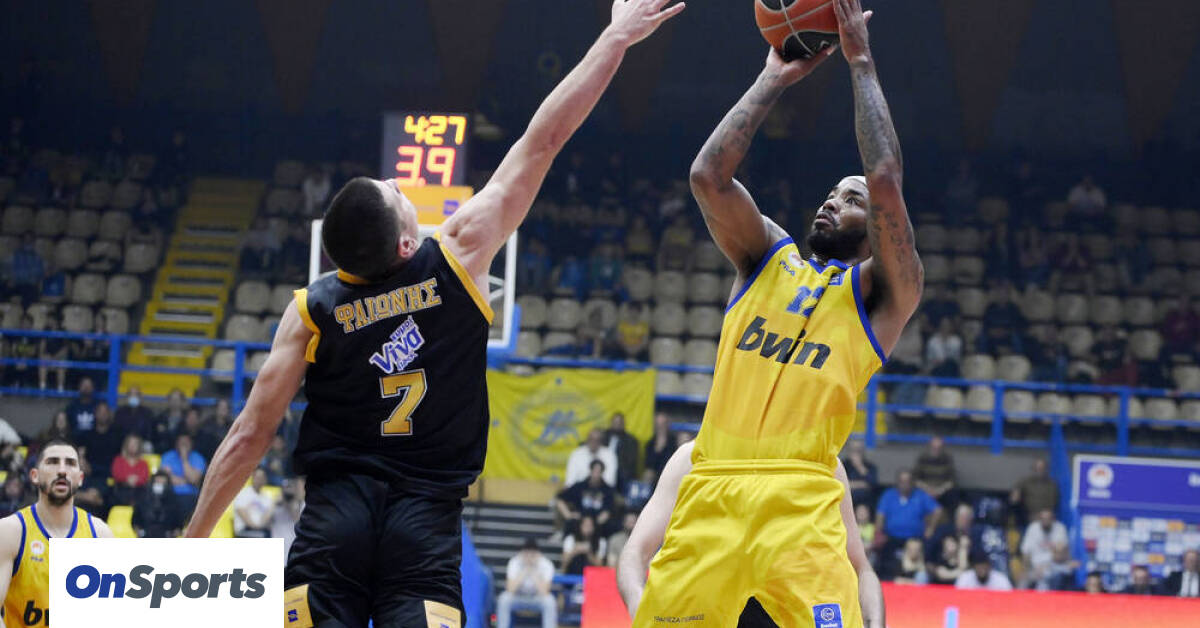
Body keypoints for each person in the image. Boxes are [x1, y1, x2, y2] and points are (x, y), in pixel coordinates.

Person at [182, 4, 685, 626]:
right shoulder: (456, 257)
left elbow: (249, 436)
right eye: (394, 193)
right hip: (424, 525)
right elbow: (543, 140)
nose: (399, 184)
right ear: (402, 245)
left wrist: (189, 544)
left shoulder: (311, 310)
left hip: (333, 524)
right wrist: (615, 38)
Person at [636, 4, 923, 624]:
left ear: (875, 228)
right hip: (712, 489)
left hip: (802, 500)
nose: (832, 203)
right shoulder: (765, 256)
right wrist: (773, 77)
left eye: (850, 201)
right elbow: (708, 177)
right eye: (831, 194)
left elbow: (884, 178)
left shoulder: (884, 294)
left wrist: (860, 60)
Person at [618, 442, 885, 626]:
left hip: (788, 612)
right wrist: (641, 608)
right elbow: (635, 551)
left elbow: (860, 567)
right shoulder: (694, 457)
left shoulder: (822, 463)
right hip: (708, 610)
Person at [0, 440, 114, 625]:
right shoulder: (10, 532)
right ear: (35, 476)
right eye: (52, 462)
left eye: (70, 463)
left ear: (80, 478)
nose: (62, 470)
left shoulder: (100, 535)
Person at [876, 470, 941, 579]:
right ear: (897, 482)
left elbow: (937, 510)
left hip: (914, 539)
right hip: (892, 539)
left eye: (907, 481)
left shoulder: (920, 495)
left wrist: (930, 528)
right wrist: (879, 532)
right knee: (886, 562)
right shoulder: (889, 495)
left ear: (912, 482)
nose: (904, 484)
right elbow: (880, 515)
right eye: (902, 481)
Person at [496, 538, 557, 628]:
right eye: (526, 554)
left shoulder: (546, 564)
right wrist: (524, 570)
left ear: (538, 554)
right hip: (518, 597)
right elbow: (510, 589)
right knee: (504, 598)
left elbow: (545, 592)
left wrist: (533, 571)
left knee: (550, 601)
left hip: (537, 598)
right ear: (522, 553)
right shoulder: (514, 562)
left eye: (532, 554)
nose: (529, 557)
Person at [555, 460, 618, 537]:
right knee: (570, 524)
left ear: (602, 473)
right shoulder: (579, 486)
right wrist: (568, 514)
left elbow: (608, 510)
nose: (596, 474)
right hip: (579, 519)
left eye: (599, 472)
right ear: (590, 471)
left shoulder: (607, 490)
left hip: (598, 522)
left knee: (610, 526)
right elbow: (560, 499)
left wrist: (595, 521)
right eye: (594, 471)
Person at [1019, 508, 1068, 589]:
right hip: (1034, 568)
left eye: (1048, 519)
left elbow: (1060, 555)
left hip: (1053, 567)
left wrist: (1045, 566)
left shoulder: (1059, 528)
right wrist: (1027, 569)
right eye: (1043, 519)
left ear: (1053, 519)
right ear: (1039, 519)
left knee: (1049, 576)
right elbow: (1026, 553)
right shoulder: (1033, 528)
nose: (1045, 521)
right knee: (1023, 580)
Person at [160, 433, 206, 512]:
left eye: (186, 443)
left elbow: (193, 479)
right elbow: (164, 479)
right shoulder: (167, 456)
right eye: (181, 443)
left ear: (191, 444)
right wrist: (186, 481)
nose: (183, 446)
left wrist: (184, 459)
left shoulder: (198, 458)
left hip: (190, 496)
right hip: (170, 495)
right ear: (176, 444)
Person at [1009, 458, 1058, 529]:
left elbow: (1054, 502)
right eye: (1037, 468)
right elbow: (1014, 496)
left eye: (1042, 468)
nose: (1039, 470)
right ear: (1033, 469)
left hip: (1047, 516)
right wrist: (1015, 495)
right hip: (1030, 516)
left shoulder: (1052, 484)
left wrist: (1045, 515)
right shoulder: (1025, 481)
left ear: (1046, 469)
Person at [132, 470, 183, 538]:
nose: (160, 486)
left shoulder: (174, 502)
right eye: (158, 483)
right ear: (152, 483)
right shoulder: (142, 499)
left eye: (163, 483)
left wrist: (174, 533)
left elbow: (179, 526)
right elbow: (135, 521)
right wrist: (139, 532)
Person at [913, 435, 958, 508]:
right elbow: (916, 480)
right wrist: (929, 490)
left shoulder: (948, 459)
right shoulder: (922, 458)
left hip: (943, 492)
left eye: (939, 448)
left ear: (943, 448)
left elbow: (952, 481)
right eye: (934, 448)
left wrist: (939, 491)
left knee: (953, 496)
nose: (936, 450)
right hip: (925, 490)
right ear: (929, 447)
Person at [232, 468, 277, 538]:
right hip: (244, 531)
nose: (259, 480)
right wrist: (257, 527)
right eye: (258, 477)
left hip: (261, 531)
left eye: (262, 478)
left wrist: (274, 504)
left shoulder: (267, 498)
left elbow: (267, 519)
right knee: (265, 536)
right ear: (253, 477)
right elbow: (243, 515)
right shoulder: (243, 493)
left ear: (265, 480)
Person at [841, 439, 878, 510]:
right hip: (846, 501)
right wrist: (862, 484)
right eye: (853, 450)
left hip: (864, 503)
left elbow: (872, 484)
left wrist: (859, 466)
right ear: (848, 451)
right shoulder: (843, 465)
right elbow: (840, 484)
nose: (855, 454)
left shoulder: (870, 466)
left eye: (858, 450)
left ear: (863, 451)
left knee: (863, 510)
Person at [605, 413, 640, 488]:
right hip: (603, 468)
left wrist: (614, 467)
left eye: (619, 423)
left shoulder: (631, 440)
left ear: (624, 424)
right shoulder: (604, 436)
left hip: (621, 470)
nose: (617, 425)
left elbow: (630, 462)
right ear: (611, 423)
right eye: (615, 422)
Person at [642, 413, 676, 481]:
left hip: (671, 471)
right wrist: (657, 450)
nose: (661, 428)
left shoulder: (674, 441)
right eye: (658, 425)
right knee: (648, 474)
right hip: (655, 474)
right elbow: (649, 465)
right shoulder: (650, 443)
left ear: (667, 425)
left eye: (663, 424)